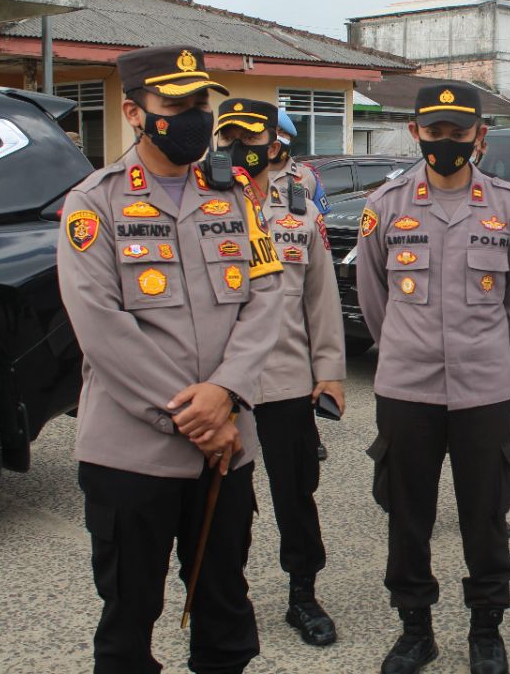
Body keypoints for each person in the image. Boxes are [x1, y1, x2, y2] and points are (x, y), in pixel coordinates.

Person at [58, 45, 284, 673]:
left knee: (225, 612)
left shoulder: (236, 194)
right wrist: (195, 415)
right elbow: (101, 326)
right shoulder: (93, 202)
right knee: (129, 619)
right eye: (175, 105)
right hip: (133, 454)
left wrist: (227, 392)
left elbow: (265, 295)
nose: (193, 117)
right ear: (134, 112)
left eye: (199, 103)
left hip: (226, 447)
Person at [356, 83, 510, 674]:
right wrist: (403, 352)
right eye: (434, 132)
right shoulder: (384, 205)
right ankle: (416, 630)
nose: (446, 143)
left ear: (479, 136)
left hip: (483, 391)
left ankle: (486, 628)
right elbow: (373, 295)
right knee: (408, 514)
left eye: (458, 132)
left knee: (485, 513)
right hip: (406, 390)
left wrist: (487, 356)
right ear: (416, 133)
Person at [213, 98, 346, 647]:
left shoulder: (300, 212)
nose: (236, 150)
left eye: (248, 139)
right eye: (227, 139)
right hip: (224, 383)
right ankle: (225, 598)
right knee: (228, 500)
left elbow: (321, 300)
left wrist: (330, 371)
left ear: (274, 145)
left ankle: (303, 595)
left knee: (296, 492)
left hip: (289, 375)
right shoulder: (201, 207)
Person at [275, 106, 333, 463]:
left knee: (302, 362)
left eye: (283, 138)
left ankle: (309, 435)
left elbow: (319, 220)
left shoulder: (305, 177)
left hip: (296, 274)